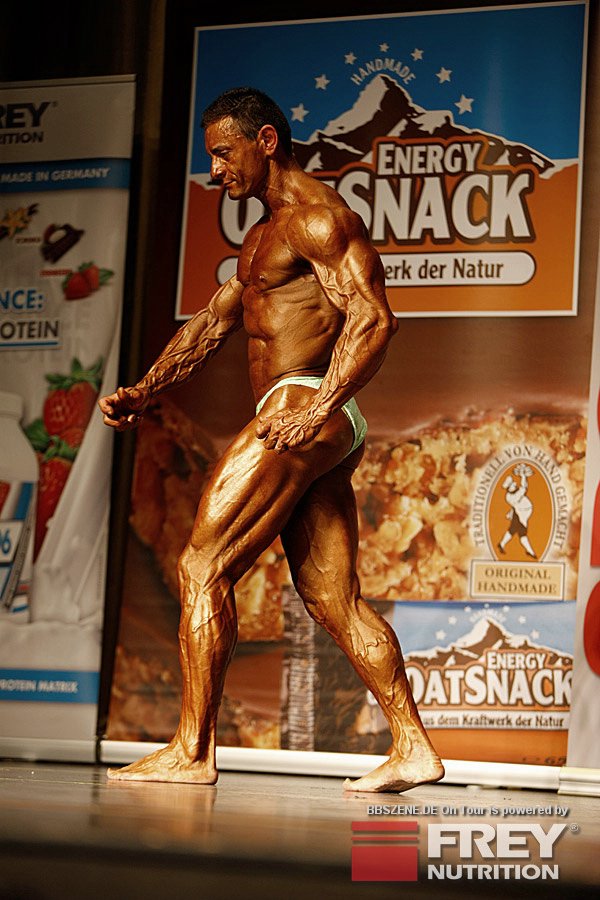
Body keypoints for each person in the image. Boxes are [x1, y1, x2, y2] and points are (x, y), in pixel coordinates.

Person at [99, 87, 444, 792]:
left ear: (265, 142)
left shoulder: (319, 219)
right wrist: (145, 389)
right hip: (311, 416)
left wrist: (318, 405)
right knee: (334, 601)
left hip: (302, 405)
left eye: (224, 154)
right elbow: (211, 324)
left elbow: (374, 320)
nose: (215, 171)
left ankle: (192, 751)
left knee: (202, 565)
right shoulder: (262, 236)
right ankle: (414, 747)